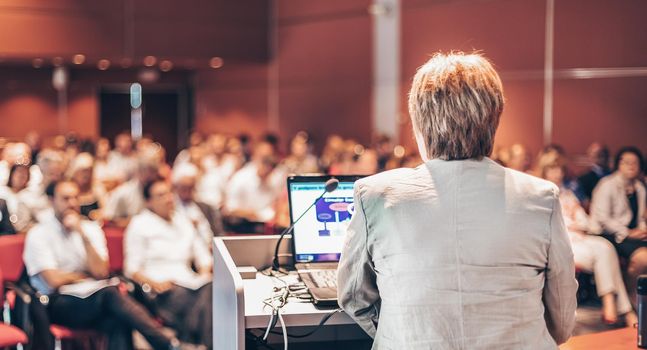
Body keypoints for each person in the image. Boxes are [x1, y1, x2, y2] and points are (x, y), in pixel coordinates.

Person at [337, 52, 577, 348]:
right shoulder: (541, 197)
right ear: (494, 119)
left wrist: (401, 333)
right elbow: (562, 319)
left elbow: (353, 297)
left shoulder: (375, 195)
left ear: (419, 124)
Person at [22, 180, 186, 350]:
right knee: (110, 295)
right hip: (57, 304)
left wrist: (82, 234)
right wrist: (84, 275)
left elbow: (100, 272)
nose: (72, 204)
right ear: (51, 201)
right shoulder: (39, 234)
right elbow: (53, 280)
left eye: (75, 198)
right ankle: (167, 344)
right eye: (66, 198)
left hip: (94, 298)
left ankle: (168, 345)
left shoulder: (90, 229)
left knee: (117, 319)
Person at [537, 151, 636, 326]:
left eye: (560, 168)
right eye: (553, 168)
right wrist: (571, 224)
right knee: (603, 254)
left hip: (579, 237)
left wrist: (576, 223)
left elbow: (586, 222)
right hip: (559, 243)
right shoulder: (540, 194)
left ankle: (611, 305)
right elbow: (547, 225)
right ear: (545, 170)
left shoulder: (567, 194)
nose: (558, 173)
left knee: (606, 247)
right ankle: (621, 309)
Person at [124, 179, 213, 348]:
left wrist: (204, 272)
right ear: (149, 202)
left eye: (169, 193)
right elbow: (131, 268)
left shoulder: (183, 220)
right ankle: (205, 343)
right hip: (161, 287)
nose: (168, 198)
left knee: (214, 288)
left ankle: (195, 342)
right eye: (161, 195)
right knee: (199, 300)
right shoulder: (139, 224)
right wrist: (154, 283)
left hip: (191, 281)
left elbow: (202, 256)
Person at [590, 147, 647, 305]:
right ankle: (631, 298)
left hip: (629, 236)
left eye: (635, 163)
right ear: (618, 164)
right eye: (626, 162)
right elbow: (602, 219)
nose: (631, 166)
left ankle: (636, 294)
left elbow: (639, 217)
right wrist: (628, 232)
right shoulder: (607, 184)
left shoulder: (640, 188)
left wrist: (641, 230)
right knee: (643, 258)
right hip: (607, 234)